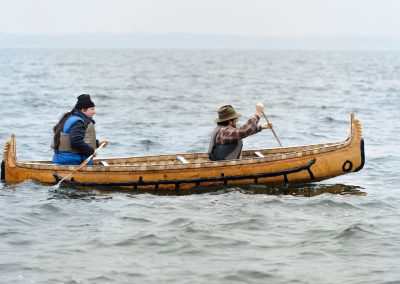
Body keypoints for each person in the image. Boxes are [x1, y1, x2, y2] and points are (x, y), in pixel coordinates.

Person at [51, 94, 108, 165]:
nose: (94, 112)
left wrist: (97, 143)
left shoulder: (71, 118)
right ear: (83, 110)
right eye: (92, 109)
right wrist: (92, 151)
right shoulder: (78, 122)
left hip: (63, 160)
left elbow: (76, 140)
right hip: (71, 162)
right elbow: (76, 141)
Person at [208, 103, 272, 161]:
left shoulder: (224, 130)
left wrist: (261, 127)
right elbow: (244, 131)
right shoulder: (224, 132)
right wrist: (258, 113)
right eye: (236, 119)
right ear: (230, 121)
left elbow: (240, 133)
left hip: (225, 163)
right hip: (224, 167)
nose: (237, 121)